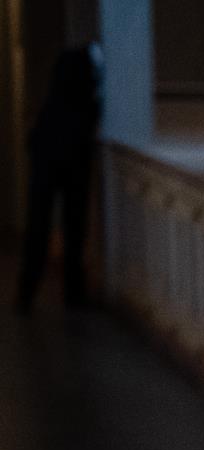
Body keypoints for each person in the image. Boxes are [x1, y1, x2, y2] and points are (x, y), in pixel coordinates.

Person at [14, 43, 103, 316]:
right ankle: (71, 292)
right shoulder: (85, 82)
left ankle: (28, 290)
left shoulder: (65, 70)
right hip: (73, 156)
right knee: (72, 225)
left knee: (40, 221)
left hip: (49, 154)